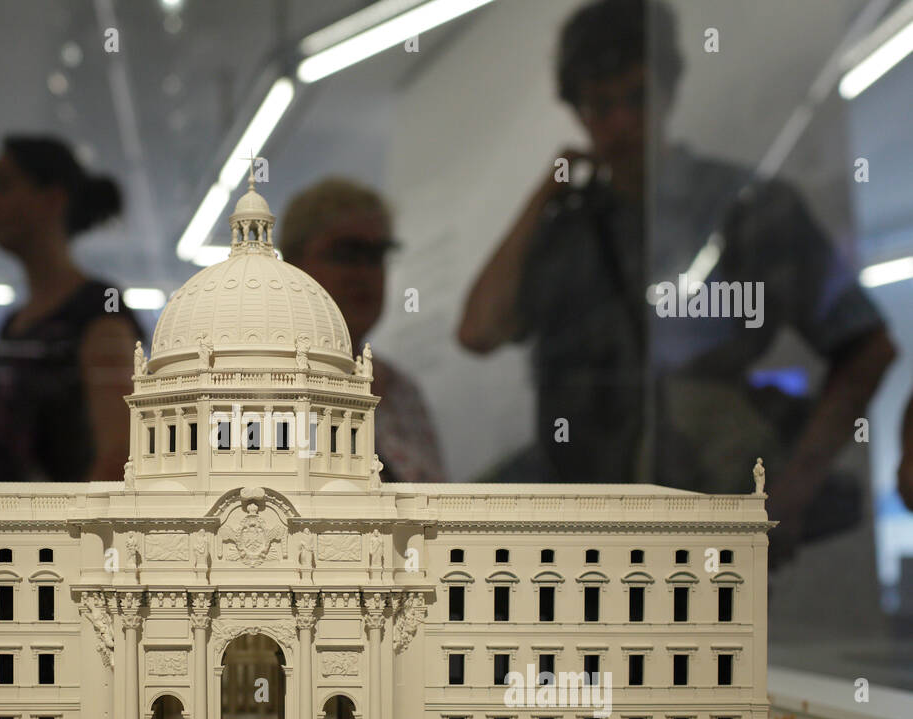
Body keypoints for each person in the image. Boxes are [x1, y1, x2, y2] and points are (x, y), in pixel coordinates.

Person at [456, 0, 894, 563]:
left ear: (668, 90)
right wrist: (544, 194)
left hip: (695, 500)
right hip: (574, 510)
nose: (620, 123)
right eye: (600, 105)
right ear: (578, 112)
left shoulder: (746, 208)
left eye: (636, 97)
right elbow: (479, 331)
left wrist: (793, 490)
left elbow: (866, 347)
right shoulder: (565, 227)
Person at [0, 135, 141, 482]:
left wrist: (73, 536)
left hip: (56, 532)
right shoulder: (14, 324)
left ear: (53, 199)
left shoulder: (98, 311)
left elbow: (120, 456)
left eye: (4, 186)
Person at [280, 178, 445, 483]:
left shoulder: (400, 390)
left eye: (376, 255)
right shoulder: (259, 382)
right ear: (292, 265)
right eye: (346, 253)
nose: (364, 273)